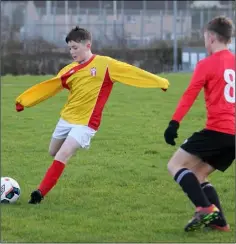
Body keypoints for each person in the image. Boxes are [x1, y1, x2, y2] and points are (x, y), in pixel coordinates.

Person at [15, 26, 169, 204]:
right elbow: (48, 88)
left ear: (87, 45)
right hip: (66, 118)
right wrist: (23, 101)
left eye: (75, 48)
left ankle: (39, 193)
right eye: (69, 48)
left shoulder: (105, 65)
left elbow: (132, 73)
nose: (72, 52)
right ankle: (69, 149)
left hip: (86, 123)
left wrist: (160, 82)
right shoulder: (68, 71)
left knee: (62, 154)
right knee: (53, 151)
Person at [164, 16, 235, 232]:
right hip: (233, 137)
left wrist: (174, 123)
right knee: (198, 174)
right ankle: (219, 222)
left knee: (174, 165)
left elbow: (189, 95)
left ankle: (204, 208)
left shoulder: (206, 64)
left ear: (211, 37)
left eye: (205, 37)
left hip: (216, 131)